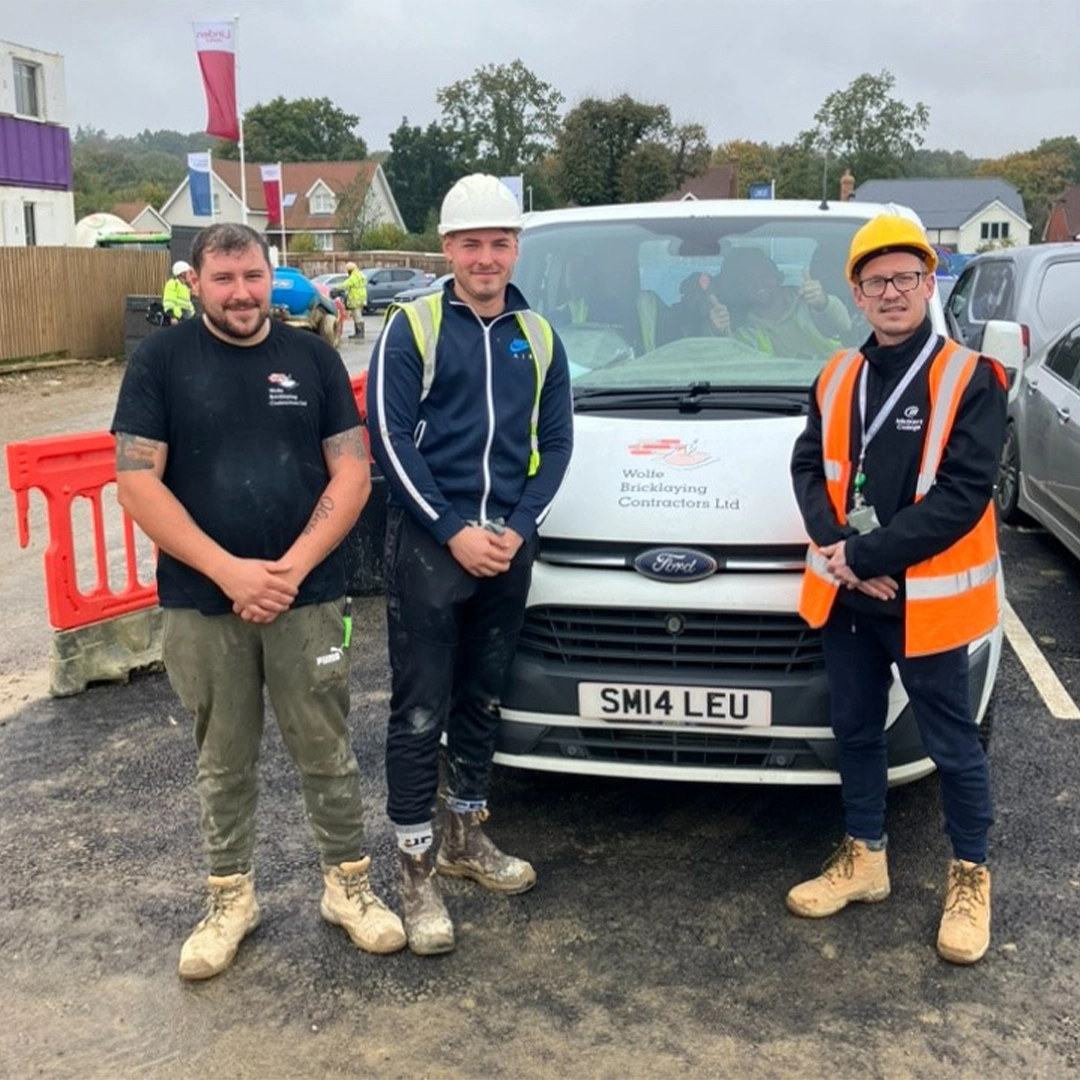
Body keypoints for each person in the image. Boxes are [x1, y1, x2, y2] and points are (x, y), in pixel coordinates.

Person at [112, 222, 405, 981]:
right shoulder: (161, 360)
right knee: (223, 756)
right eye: (224, 278)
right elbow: (137, 480)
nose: (241, 293)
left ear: (271, 278)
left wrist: (291, 567)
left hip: (307, 598)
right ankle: (229, 899)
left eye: (253, 277)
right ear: (199, 282)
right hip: (200, 602)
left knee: (326, 750)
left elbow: (350, 472)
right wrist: (230, 573)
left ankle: (348, 886)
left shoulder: (311, 355)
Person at [788, 214, 1007, 965]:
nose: (891, 293)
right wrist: (843, 553)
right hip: (850, 598)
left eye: (906, 278)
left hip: (928, 604)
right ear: (856, 293)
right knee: (856, 731)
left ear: (928, 284)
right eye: (875, 281)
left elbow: (963, 494)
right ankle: (865, 859)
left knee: (952, 747)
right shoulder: (836, 374)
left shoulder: (970, 378)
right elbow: (808, 468)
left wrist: (869, 551)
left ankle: (970, 877)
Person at [367, 174, 574, 955]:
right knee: (421, 711)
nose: (485, 258)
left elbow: (556, 445)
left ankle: (465, 839)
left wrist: (519, 528)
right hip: (431, 546)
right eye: (470, 244)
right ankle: (415, 872)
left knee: (483, 701)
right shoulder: (411, 327)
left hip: (506, 549)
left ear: (516, 247)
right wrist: (453, 529)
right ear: (447, 249)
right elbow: (388, 440)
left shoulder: (539, 334)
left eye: (498, 243)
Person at [707, 247, 851, 357]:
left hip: (834, 387)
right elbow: (729, 362)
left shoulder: (811, 305)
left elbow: (845, 325)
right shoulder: (744, 331)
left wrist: (824, 303)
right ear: (741, 288)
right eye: (749, 280)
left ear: (779, 277)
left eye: (765, 275)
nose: (759, 283)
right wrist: (718, 332)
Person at [162, 260, 195, 324]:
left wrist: (193, 314)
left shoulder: (184, 286)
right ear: (182, 273)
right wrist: (172, 316)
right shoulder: (172, 284)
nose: (189, 275)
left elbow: (187, 303)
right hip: (179, 317)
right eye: (187, 272)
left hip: (187, 316)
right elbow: (168, 302)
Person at [341, 261, 367, 341]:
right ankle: (359, 333)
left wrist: (336, 288)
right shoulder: (361, 275)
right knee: (358, 316)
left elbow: (346, 284)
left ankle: (359, 333)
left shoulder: (354, 276)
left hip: (355, 299)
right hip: (361, 299)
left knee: (357, 316)